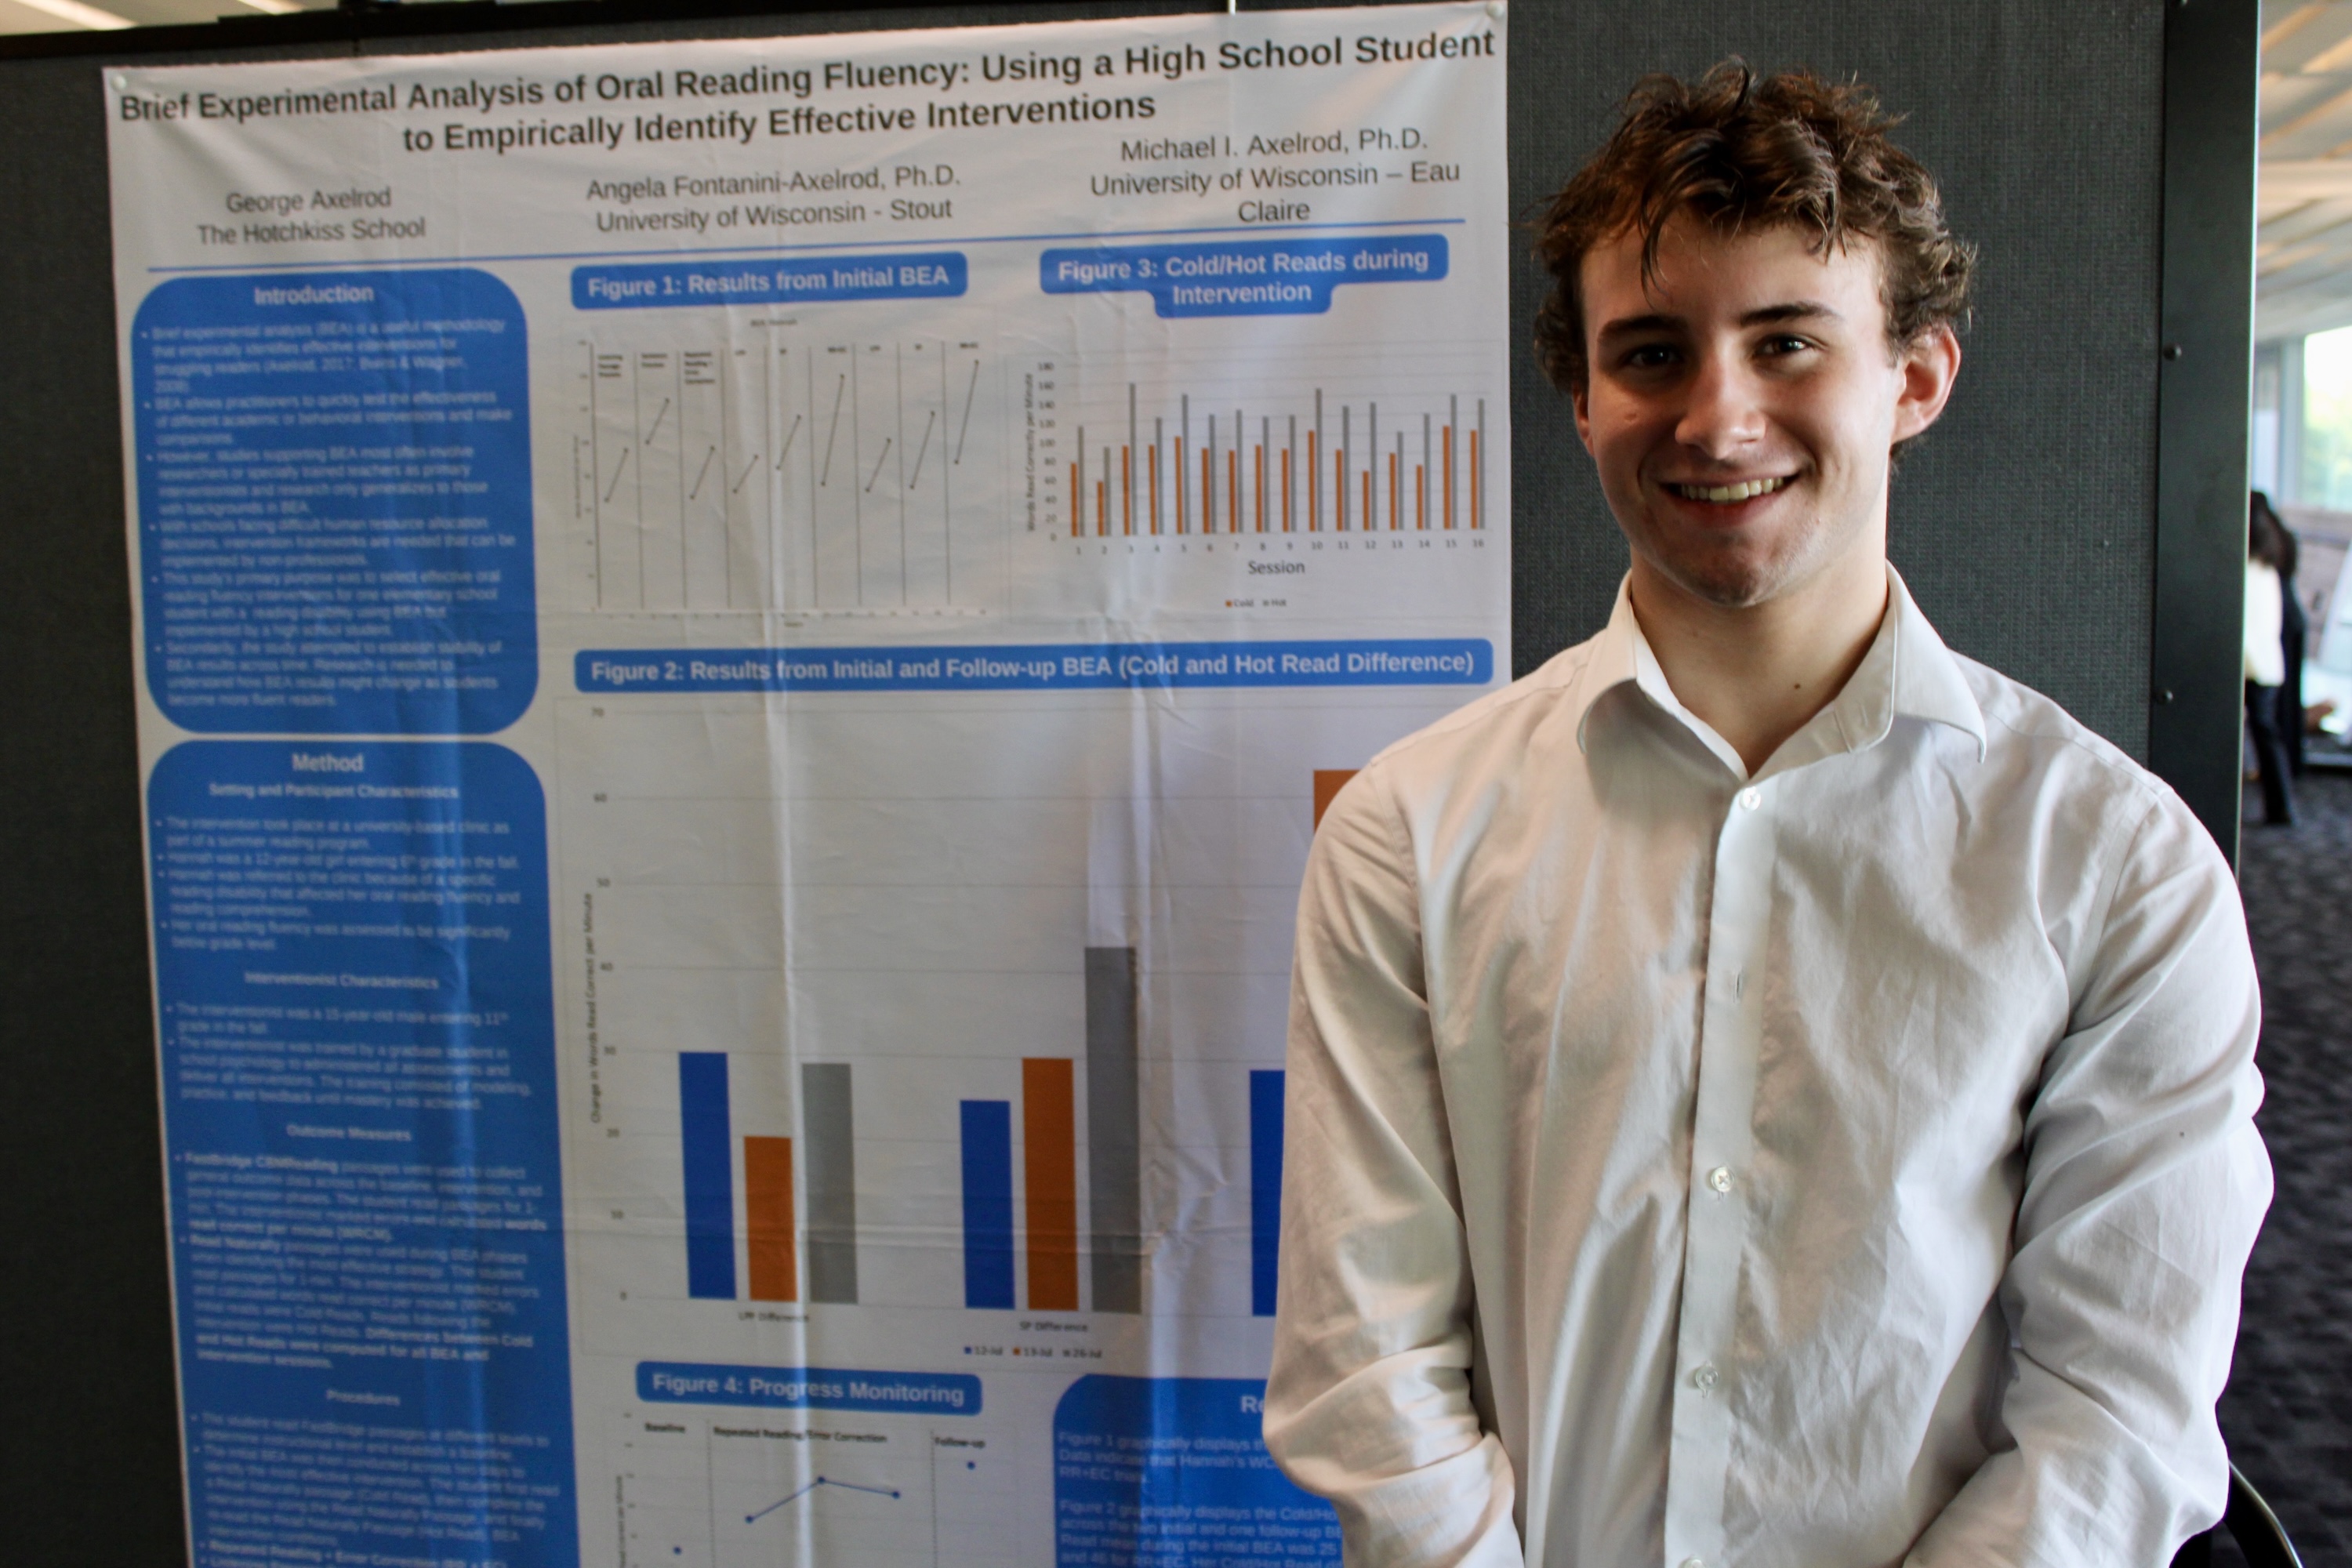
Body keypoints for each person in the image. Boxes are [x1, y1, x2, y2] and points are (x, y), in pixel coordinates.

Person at [1265, 64, 2270, 1568]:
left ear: (1914, 377)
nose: (1718, 418)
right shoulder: (1412, 832)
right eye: (1654, 353)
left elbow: (2118, 1419)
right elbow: (1369, 1367)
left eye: (1788, 340)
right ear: (1587, 399)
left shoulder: (2114, 865)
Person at [2245, 495, 2296, 826]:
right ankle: (2281, 808)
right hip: (2267, 664)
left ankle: (2281, 809)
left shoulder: (2246, 568)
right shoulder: (2269, 565)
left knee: (2263, 734)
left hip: (2249, 665)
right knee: (2267, 735)